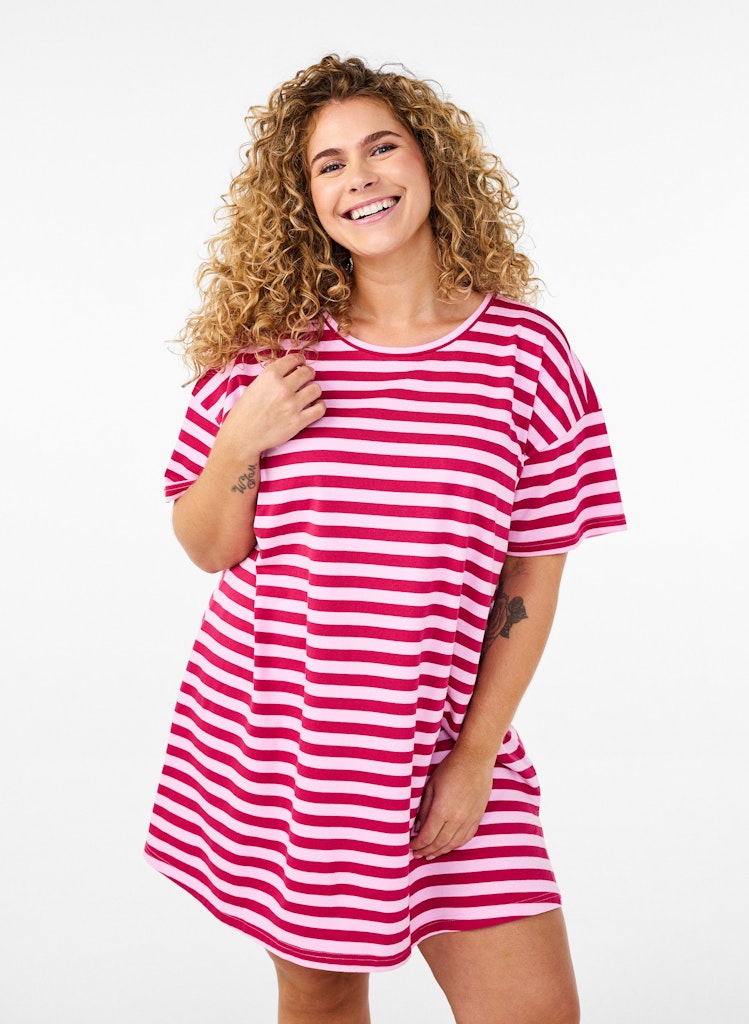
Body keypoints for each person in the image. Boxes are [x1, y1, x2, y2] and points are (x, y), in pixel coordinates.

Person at [145, 54, 626, 1024]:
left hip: (446, 741)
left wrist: (476, 755)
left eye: (380, 148)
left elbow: (532, 569)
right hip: (289, 743)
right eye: (328, 164)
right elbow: (206, 548)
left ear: (431, 162)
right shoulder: (266, 355)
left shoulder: (524, 353)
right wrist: (241, 437)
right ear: (302, 199)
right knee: (321, 999)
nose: (358, 177)